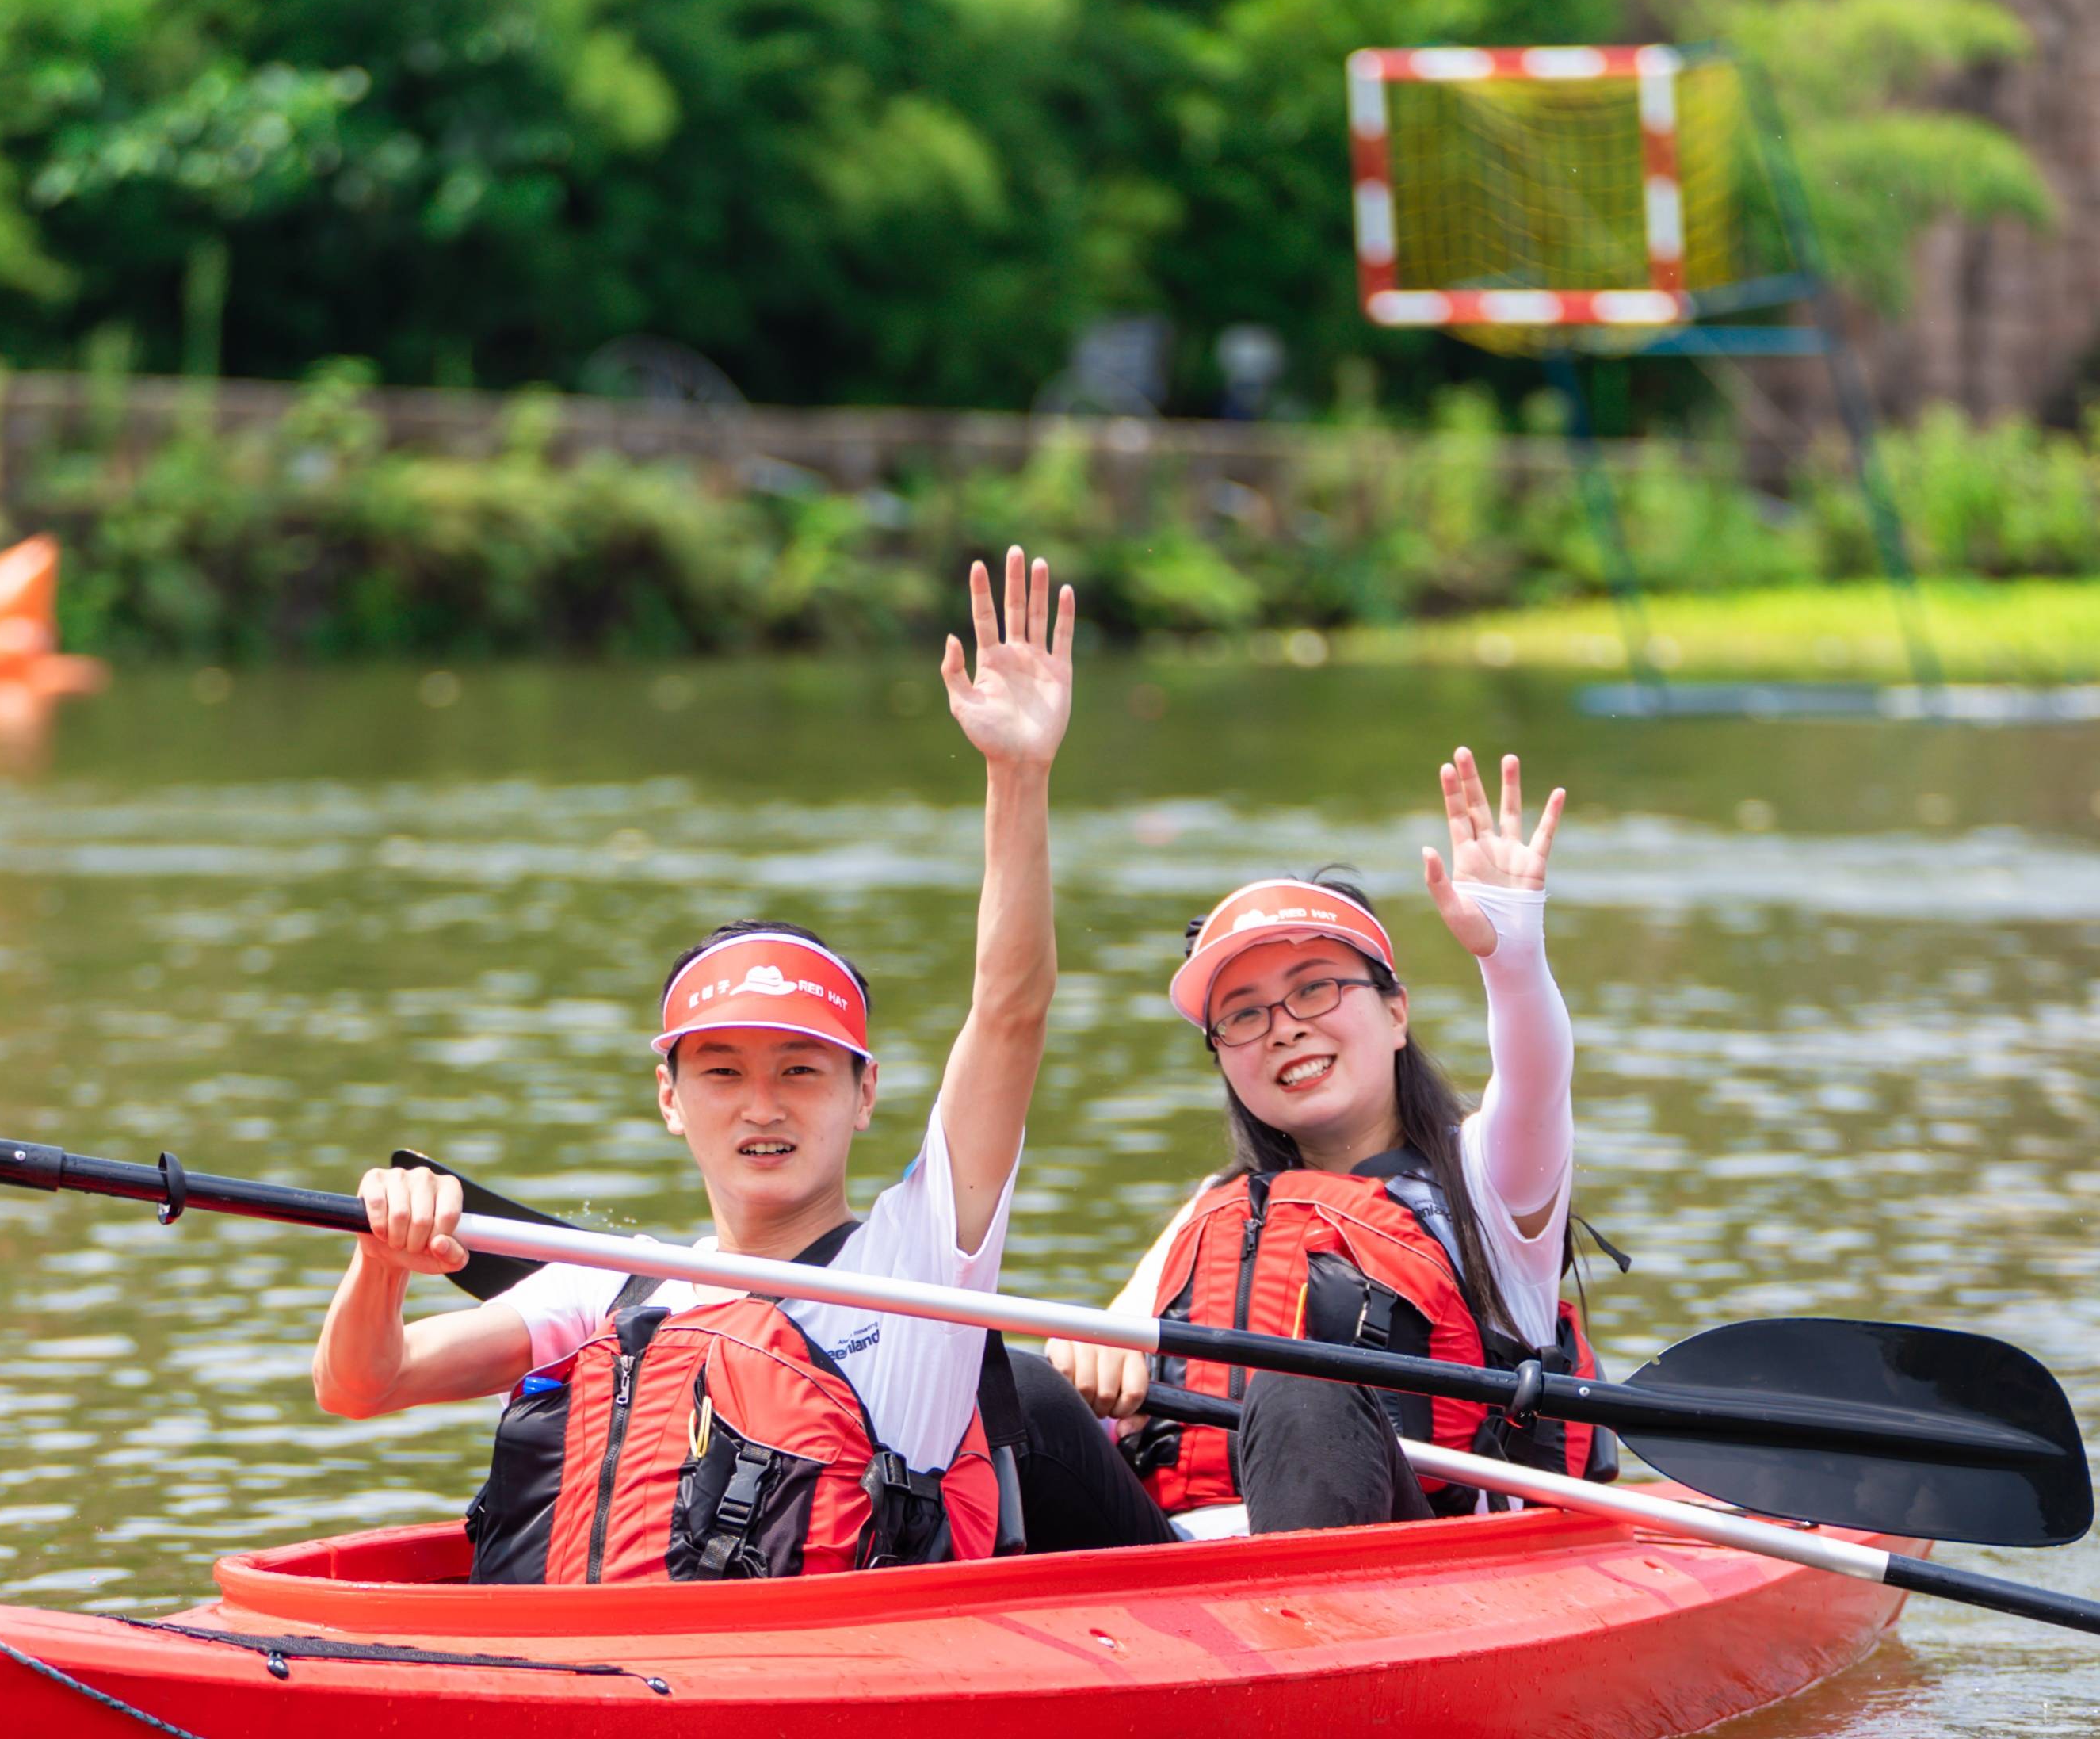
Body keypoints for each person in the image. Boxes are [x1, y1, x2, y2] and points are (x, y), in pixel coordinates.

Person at [312, 548, 1075, 1582]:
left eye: (803, 1072)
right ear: (670, 1100)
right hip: (609, 1671)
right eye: (722, 1073)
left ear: (866, 1097)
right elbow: (365, 1385)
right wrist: (382, 1263)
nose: (763, 1105)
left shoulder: (919, 1275)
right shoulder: (608, 1293)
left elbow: (1011, 1010)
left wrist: (1017, 776)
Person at [1021, 748, 1600, 1545]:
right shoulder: (1214, 1209)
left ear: (1396, 1013)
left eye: (1315, 988)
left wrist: (1512, 956)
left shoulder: (1491, 1181)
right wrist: (1084, 1351)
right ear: (1224, 1056)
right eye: (1245, 1014)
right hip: (1171, 1564)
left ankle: (1296, 1642)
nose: (1285, 1025)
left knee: (1303, 1384)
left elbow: (1537, 1076)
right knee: (1016, 1387)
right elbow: (1111, 1341)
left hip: (1397, 1570)